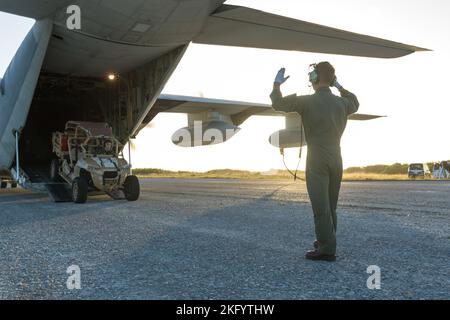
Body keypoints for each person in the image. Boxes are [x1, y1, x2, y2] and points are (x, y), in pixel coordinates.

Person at [270, 62, 359, 262]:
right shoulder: (343, 103)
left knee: (320, 207)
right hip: (337, 157)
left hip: (317, 158)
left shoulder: (307, 102)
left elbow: (278, 104)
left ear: (314, 78)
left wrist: (277, 85)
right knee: (330, 205)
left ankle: (327, 250)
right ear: (332, 79)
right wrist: (338, 85)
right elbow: (355, 101)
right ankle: (325, 240)